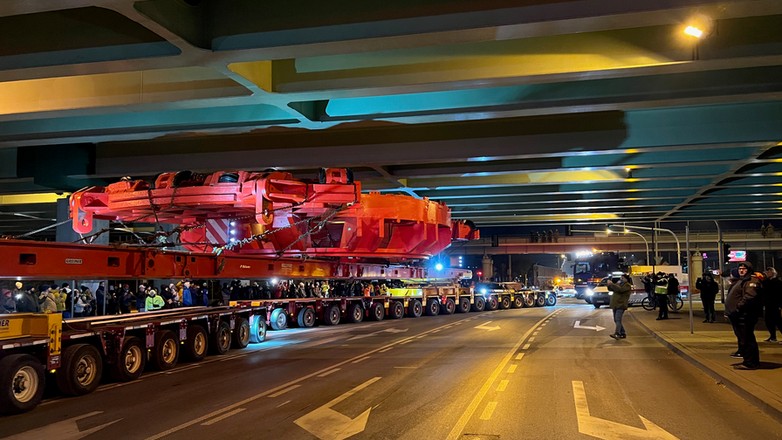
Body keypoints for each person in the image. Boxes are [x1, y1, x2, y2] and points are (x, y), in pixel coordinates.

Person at [726, 262, 762, 370]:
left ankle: (750, 363)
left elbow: (749, 296)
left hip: (744, 315)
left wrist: (738, 307)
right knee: (743, 339)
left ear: (749, 270)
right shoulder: (741, 281)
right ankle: (748, 360)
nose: (741, 270)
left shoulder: (751, 281)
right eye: (740, 268)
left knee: (747, 339)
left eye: (744, 269)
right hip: (738, 315)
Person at [607, 274, 632, 339]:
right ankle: (622, 333)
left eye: (622, 278)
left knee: (618, 319)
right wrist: (609, 285)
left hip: (621, 305)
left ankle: (617, 333)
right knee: (616, 320)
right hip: (615, 304)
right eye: (621, 278)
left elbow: (620, 290)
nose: (621, 279)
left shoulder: (627, 285)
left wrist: (612, 284)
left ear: (626, 279)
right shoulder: (619, 284)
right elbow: (611, 289)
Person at [762, 267, 782, 342]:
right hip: (768, 304)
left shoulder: (777, 282)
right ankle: (773, 336)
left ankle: (773, 336)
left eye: (768, 272)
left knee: (778, 321)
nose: (767, 273)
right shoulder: (766, 281)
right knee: (768, 321)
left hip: (775, 305)